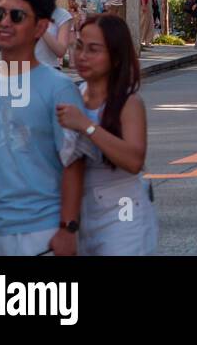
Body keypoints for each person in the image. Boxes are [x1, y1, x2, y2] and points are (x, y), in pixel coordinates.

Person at [0, 0, 88, 255]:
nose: (4, 22)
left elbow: (74, 164)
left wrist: (68, 228)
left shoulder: (59, 88)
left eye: (16, 16)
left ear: (40, 27)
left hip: (42, 231)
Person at [54, 14, 158, 255]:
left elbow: (134, 160)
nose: (82, 56)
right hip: (85, 212)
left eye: (93, 49)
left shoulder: (128, 103)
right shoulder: (74, 95)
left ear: (115, 56)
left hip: (124, 214)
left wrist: (87, 126)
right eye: (79, 46)